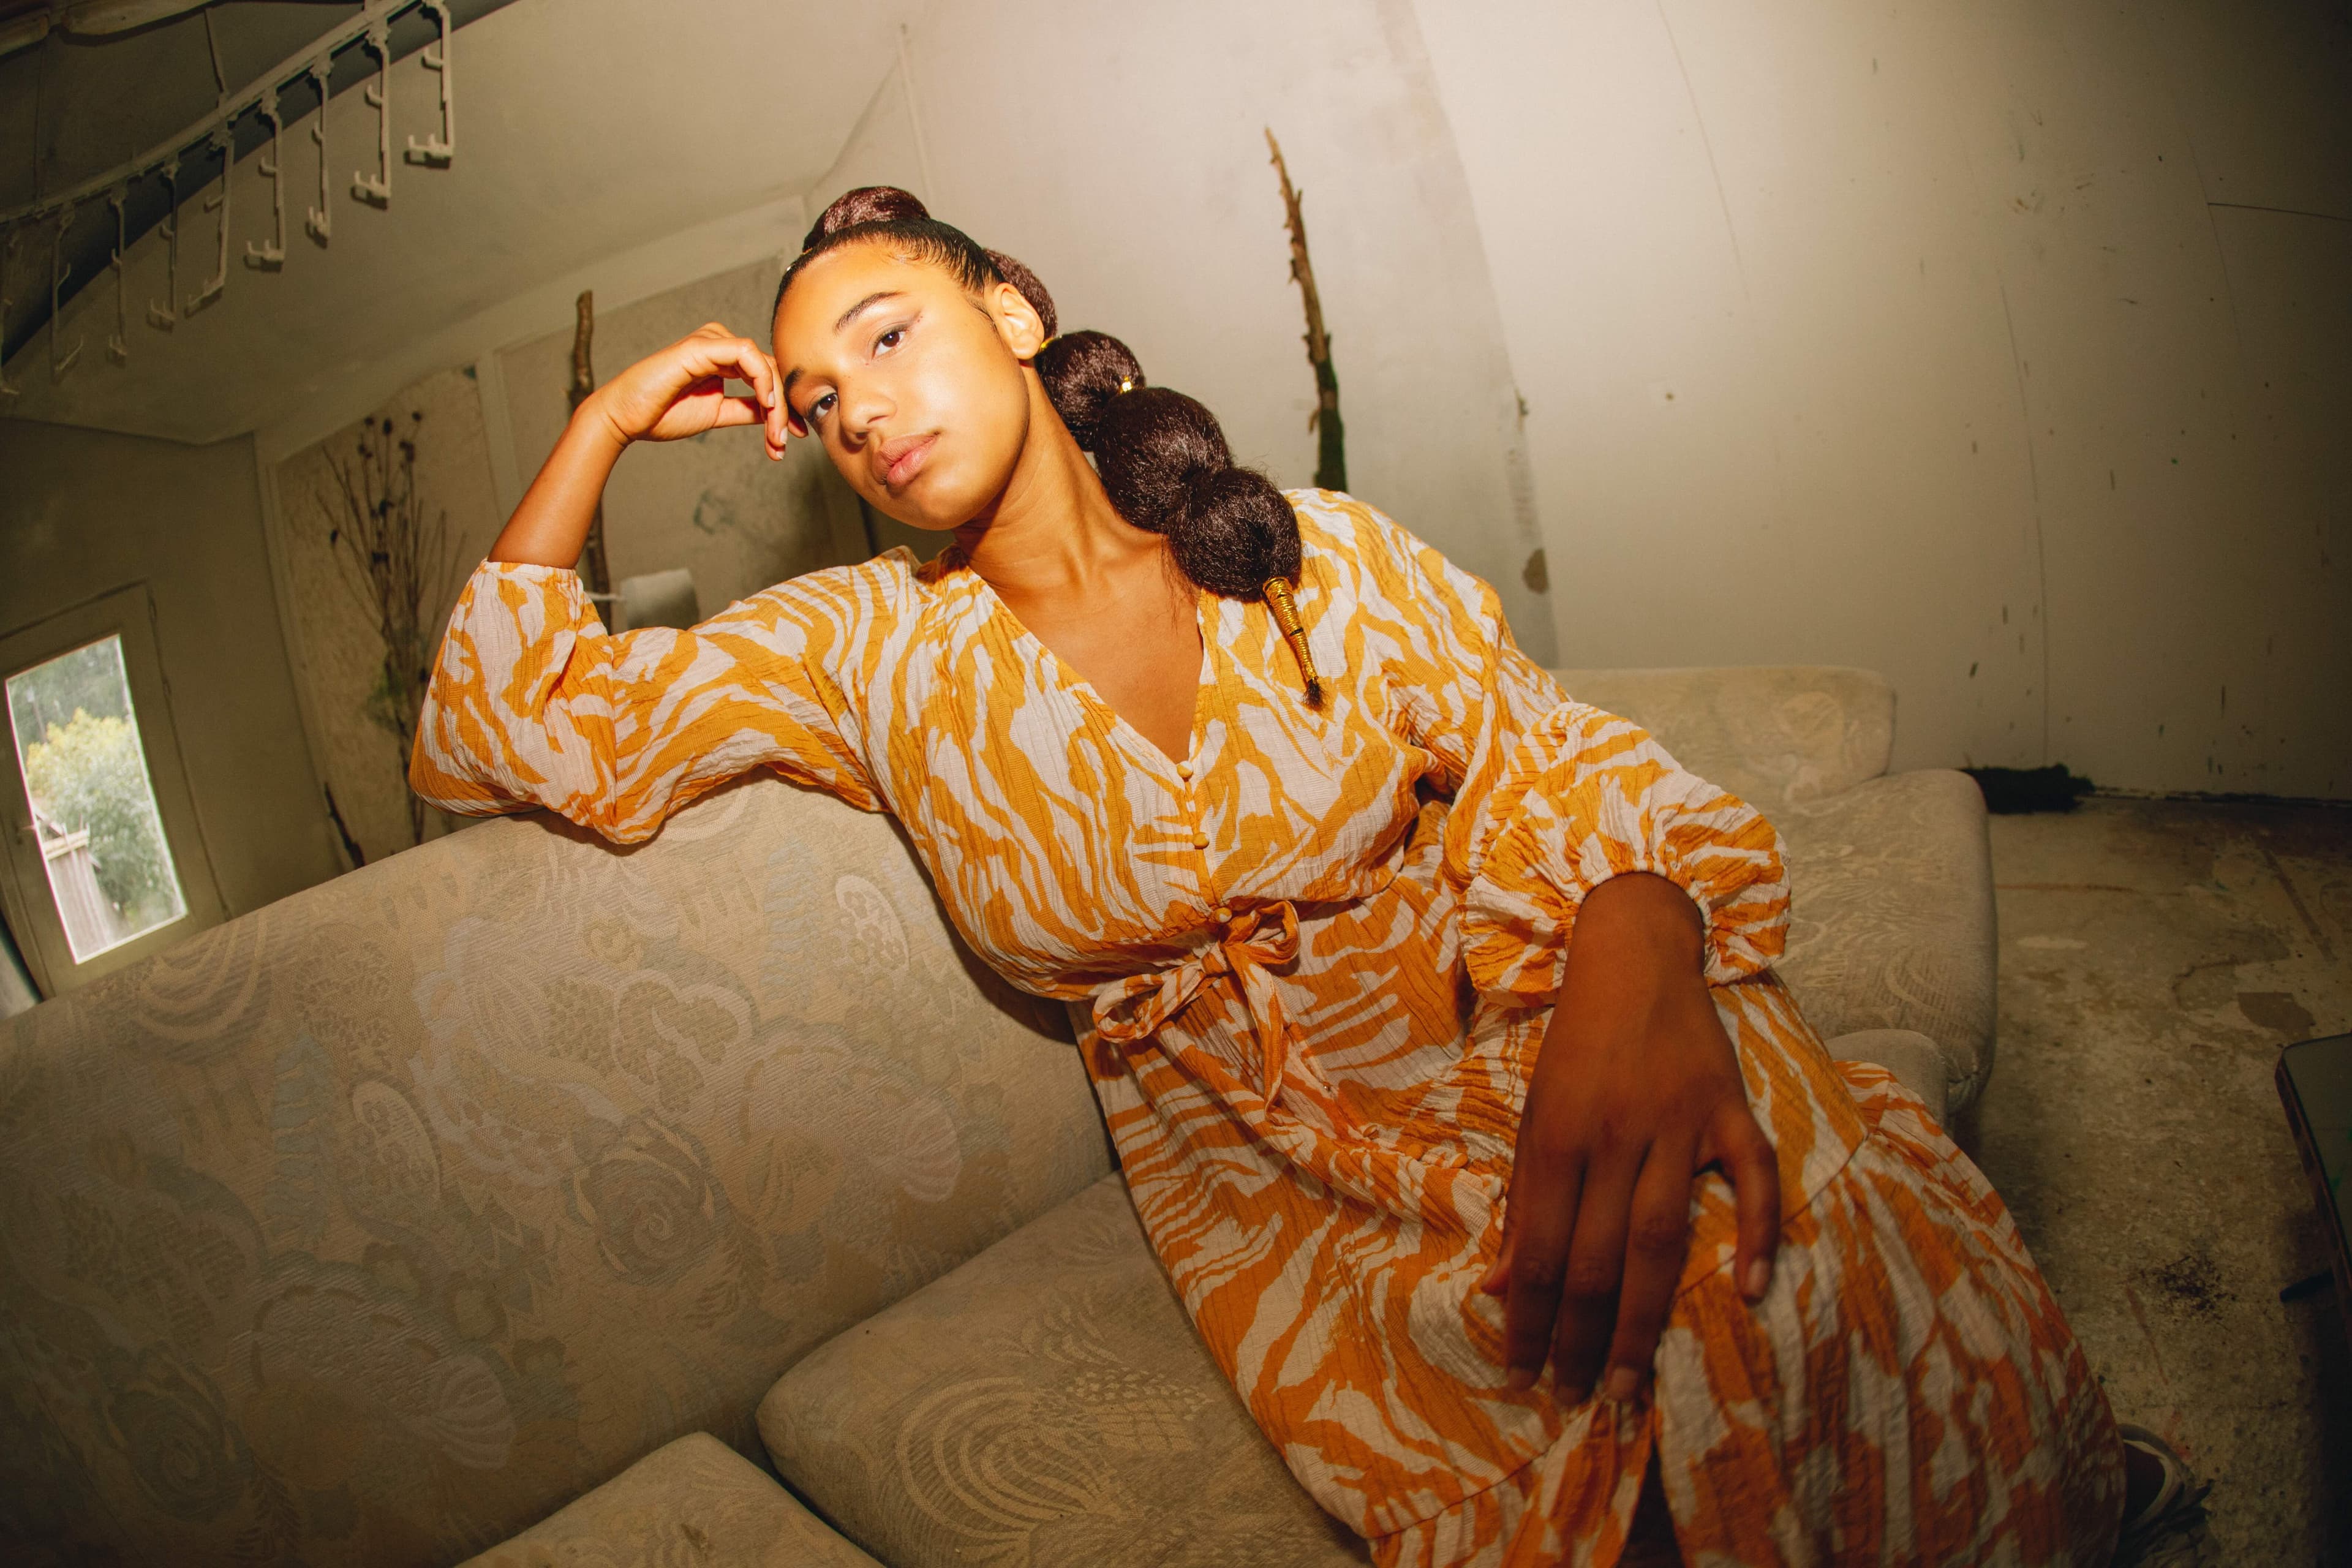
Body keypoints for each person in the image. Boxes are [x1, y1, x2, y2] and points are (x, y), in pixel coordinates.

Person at [412, 187, 2197, 1565]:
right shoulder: (855, 651)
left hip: (1512, 990)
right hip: (1275, 1167)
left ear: (1012, 312)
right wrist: (606, 420)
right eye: (816, 400)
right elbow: (494, 726)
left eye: (887, 338)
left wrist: (1644, 939)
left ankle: (2030, 1486)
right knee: (1608, 1429)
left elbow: (1527, 741)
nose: (860, 412)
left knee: (1762, 1237)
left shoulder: (1293, 546)